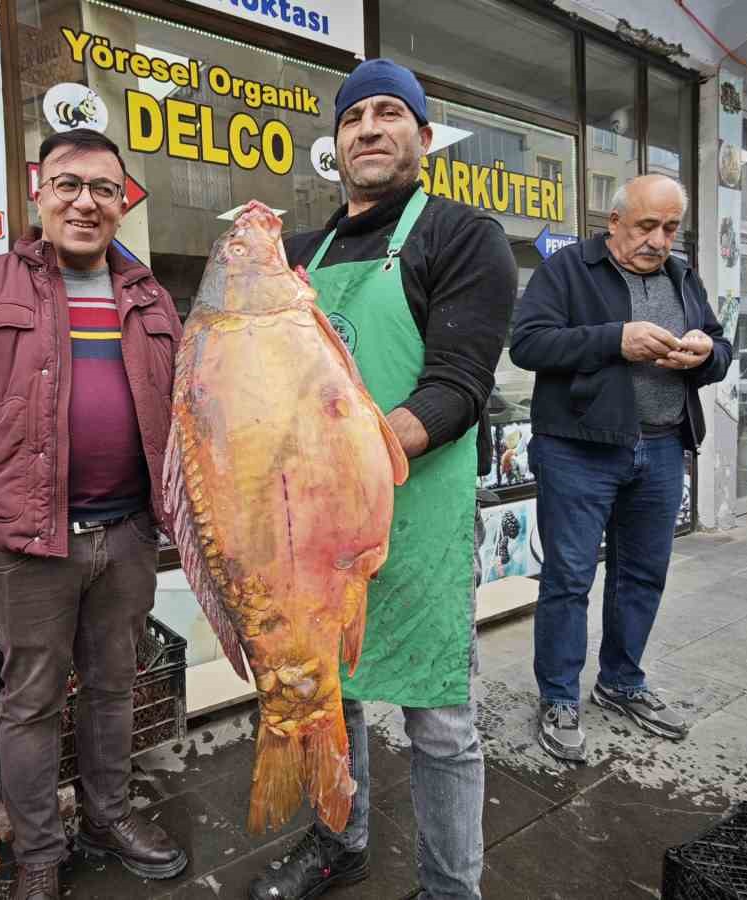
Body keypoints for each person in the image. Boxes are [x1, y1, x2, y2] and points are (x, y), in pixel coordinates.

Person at [250, 59, 515, 900]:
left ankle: (449, 886)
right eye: (354, 115)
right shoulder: (299, 257)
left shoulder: (462, 236)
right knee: (332, 695)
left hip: (419, 516)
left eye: (390, 112)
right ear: (336, 144)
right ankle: (342, 841)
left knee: (439, 719)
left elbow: (458, 387)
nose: (369, 127)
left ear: (423, 137)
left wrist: (354, 455)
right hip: (311, 533)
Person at [0, 128, 186, 900]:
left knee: (115, 687)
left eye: (103, 188)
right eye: (68, 184)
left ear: (122, 202)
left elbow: (188, 415)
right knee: (29, 699)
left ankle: (108, 815)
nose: (85, 201)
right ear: (39, 191)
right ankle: (37, 849)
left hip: (128, 532)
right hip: (27, 543)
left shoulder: (150, 297)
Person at [511, 173, 733, 763]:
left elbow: (720, 345)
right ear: (613, 222)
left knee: (642, 575)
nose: (659, 240)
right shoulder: (567, 270)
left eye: (670, 228)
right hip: (578, 449)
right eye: (646, 226)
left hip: (662, 449)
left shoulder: (683, 277)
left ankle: (621, 682)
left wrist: (709, 353)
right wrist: (616, 340)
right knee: (569, 579)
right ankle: (559, 697)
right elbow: (527, 344)